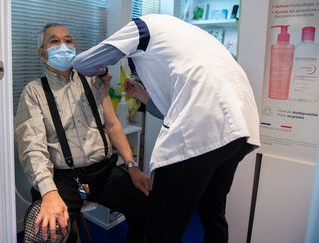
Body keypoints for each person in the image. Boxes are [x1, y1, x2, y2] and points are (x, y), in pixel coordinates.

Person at [73, 14, 260, 243]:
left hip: (202, 128)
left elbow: (84, 64)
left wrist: (101, 73)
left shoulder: (141, 27)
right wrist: (142, 95)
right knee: (213, 209)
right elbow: (177, 109)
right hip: (241, 124)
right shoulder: (190, 37)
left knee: (163, 224)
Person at [15, 23, 151, 243]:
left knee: (146, 205)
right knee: (47, 231)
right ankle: (70, 230)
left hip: (103, 174)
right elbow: (32, 147)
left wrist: (132, 166)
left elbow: (113, 125)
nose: (63, 46)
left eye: (68, 40)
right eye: (54, 41)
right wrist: (49, 192)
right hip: (68, 181)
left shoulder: (93, 81)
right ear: (42, 53)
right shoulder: (34, 92)